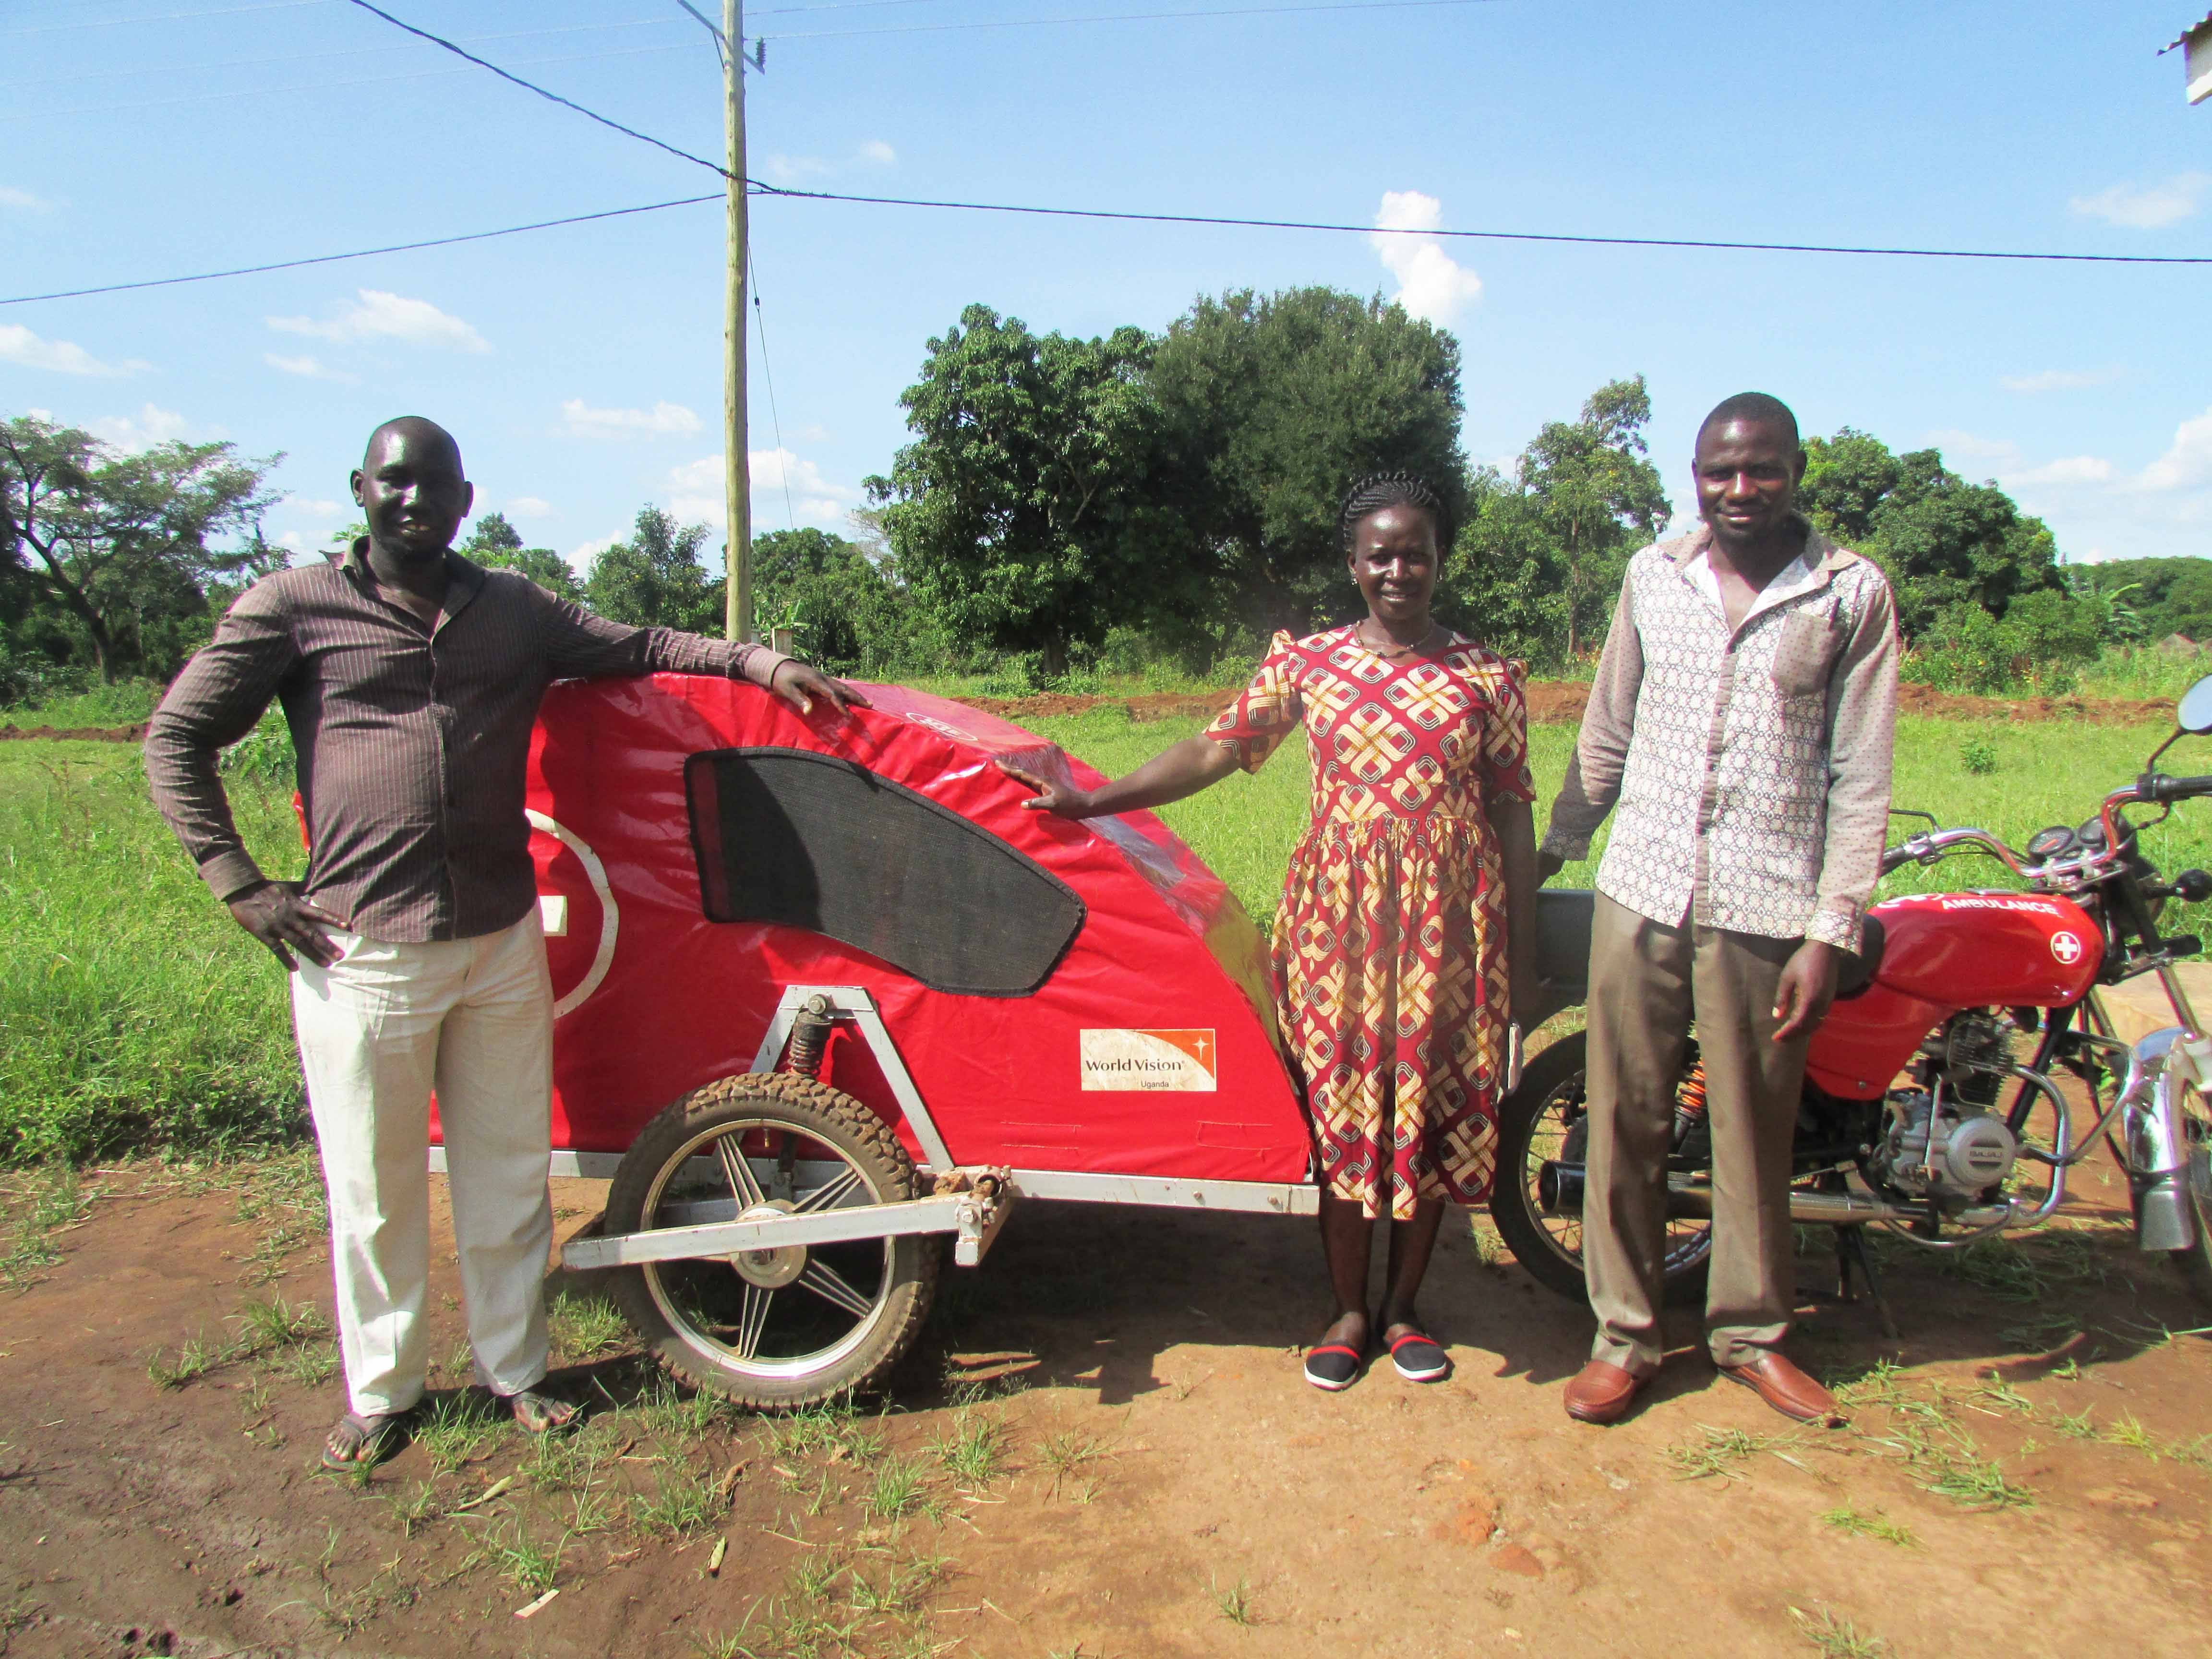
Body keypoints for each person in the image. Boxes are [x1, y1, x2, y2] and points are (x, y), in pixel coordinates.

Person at [144, 417, 866, 1469]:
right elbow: (177, 737)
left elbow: (643, 645)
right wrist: (239, 884)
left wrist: (759, 660)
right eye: (394, 482)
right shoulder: (295, 609)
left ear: (465, 499)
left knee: (506, 1174)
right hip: (361, 949)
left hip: (497, 939)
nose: (413, 501)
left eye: (434, 485)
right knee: (376, 1188)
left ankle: (515, 1372)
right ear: (360, 488)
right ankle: (384, 1394)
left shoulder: (512, 609)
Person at [1006, 473, 1539, 1391]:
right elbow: (1216, 750)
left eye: (1417, 552)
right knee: (1341, 1107)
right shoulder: (1311, 663)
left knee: (1429, 1105)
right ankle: (1346, 1310)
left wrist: (1518, 954)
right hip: (1339, 926)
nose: (1399, 570)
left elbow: (1513, 813)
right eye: (1381, 555)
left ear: (1440, 556)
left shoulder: (1487, 674)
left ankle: (1407, 1309)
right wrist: (1095, 801)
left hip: (1451, 933)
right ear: (1353, 564)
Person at [1539, 392, 1899, 1427]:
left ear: (1797, 469)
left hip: (1767, 900)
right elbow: (1608, 726)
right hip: (1643, 884)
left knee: (1750, 1127)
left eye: (1762, 469)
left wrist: (1830, 931)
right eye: (1719, 471)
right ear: (1695, 475)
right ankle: (1625, 1336)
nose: (1740, 490)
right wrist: (1556, 847)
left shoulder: (1849, 595)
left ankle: (1751, 1335)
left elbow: (1860, 776)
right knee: (1625, 1114)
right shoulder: (1655, 574)